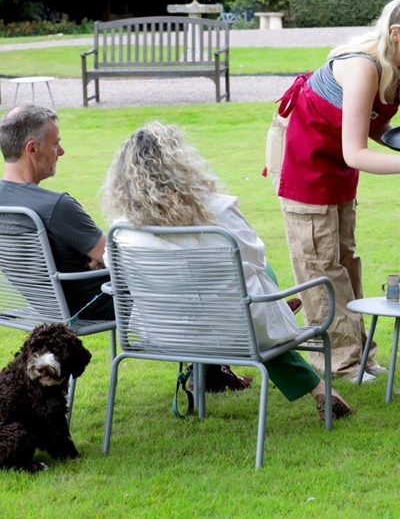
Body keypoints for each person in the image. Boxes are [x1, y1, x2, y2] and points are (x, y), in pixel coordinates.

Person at [101, 122, 354, 420]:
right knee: (255, 284)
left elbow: (113, 268)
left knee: (231, 297)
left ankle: (270, 338)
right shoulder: (216, 210)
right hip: (237, 330)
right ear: (182, 162)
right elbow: (255, 258)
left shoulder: (122, 229)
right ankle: (315, 381)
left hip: (164, 334)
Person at [265, 0, 400, 381]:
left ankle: (360, 354)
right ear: (396, 33)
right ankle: (341, 364)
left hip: (340, 152)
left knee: (344, 259)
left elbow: (375, 126)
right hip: (305, 152)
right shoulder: (365, 66)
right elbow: (356, 151)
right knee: (320, 263)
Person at [0, 103, 113, 321]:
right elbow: (116, 259)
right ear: (31, 149)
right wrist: (97, 260)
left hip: (44, 304)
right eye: (56, 144)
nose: (61, 151)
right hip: (93, 305)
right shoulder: (57, 207)